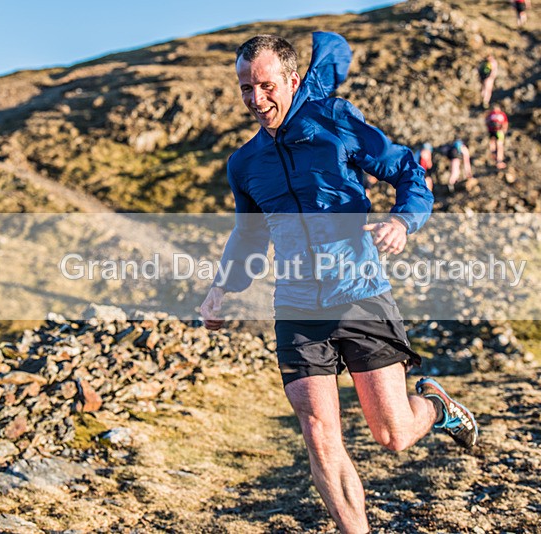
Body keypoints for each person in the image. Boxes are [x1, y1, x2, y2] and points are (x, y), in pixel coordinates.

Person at [200, 33, 479, 534]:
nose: (256, 100)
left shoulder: (335, 121)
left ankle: (434, 406)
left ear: (293, 79)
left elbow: (407, 172)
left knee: (392, 433)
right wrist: (222, 287)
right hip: (297, 308)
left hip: (360, 293)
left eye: (265, 86)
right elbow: (248, 236)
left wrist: (401, 221)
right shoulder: (244, 163)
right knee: (318, 431)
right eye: (245, 88)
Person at [485, 106, 509, 170]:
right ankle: (498, 160)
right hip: (497, 131)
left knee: (496, 144)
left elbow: (487, 121)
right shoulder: (499, 114)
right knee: (498, 145)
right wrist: (504, 130)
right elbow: (505, 123)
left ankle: (496, 158)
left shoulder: (492, 114)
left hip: (495, 131)